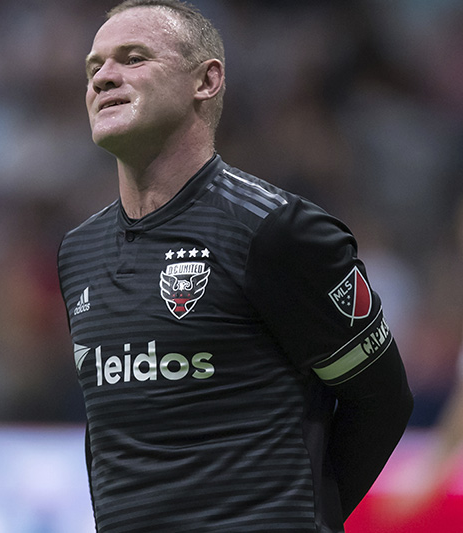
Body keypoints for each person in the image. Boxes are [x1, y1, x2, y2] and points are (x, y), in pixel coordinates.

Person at [56, 1, 414, 532]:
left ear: (206, 80)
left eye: (132, 58)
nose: (104, 77)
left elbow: (381, 399)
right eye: (94, 67)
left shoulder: (277, 233)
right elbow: (110, 434)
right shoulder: (78, 252)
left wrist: (307, 518)